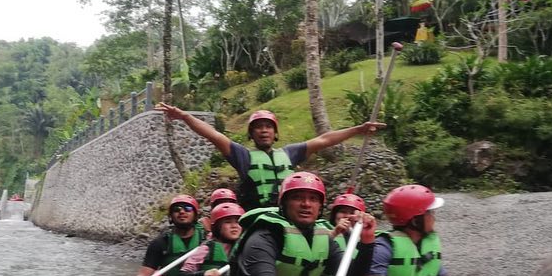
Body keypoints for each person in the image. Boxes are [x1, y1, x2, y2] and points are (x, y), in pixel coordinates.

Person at [216, 172, 376, 276]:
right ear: (284, 203)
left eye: (313, 199)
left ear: (320, 206)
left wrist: (367, 242)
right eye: (297, 197)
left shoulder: (321, 236)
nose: (306, 204)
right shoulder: (264, 236)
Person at [155, 103, 385, 211]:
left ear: (275, 133)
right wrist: (184, 116)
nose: (264, 130)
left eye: (268, 127)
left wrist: (357, 129)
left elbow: (325, 140)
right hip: (256, 219)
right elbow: (213, 135)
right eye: (258, 127)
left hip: (288, 217)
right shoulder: (242, 156)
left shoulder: (290, 153)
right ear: (252, 133)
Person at [365, 184, 464, 276]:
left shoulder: (426, 246)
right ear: (415, 220)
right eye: (429, 213)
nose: (433, 217)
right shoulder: (385, 246)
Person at [123, 194, 207, 276]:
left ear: (195, 214)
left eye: (187, 208)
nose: (182, 211)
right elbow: (144, 275)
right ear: (171, 216)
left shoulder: (207, 239)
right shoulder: (161, 242)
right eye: (177, 209)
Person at [174, 202, 245, 276]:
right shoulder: (206, 248)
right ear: (217, 227)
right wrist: (204, 274)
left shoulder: (246, 248)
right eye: (228, 222)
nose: (234, 226)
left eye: (237, 222)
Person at [315, 193, 369, 276]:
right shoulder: (320, 228)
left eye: (352, 213)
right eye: (343, 211)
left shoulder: (365, 236)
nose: (347, 216)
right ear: (334, 214)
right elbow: (315, 247)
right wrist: (335, 232)